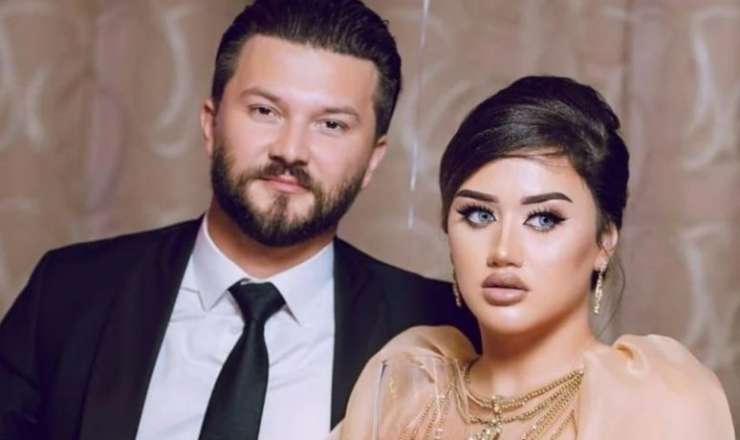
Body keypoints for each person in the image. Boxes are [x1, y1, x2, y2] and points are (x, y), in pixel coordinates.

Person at [0, 1, 476, 439]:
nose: (291, 150)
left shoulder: (440, 328)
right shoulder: (68, 291)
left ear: (373, 159)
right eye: (265, 110)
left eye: (331, 124)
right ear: (211, 124)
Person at [334, 76, 735, 439]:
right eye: (479, 215)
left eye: (544, 219)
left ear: (604, 242)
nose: (503, 252)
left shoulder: (654, 405)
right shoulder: (406, 390)